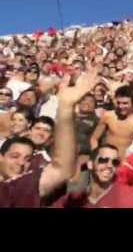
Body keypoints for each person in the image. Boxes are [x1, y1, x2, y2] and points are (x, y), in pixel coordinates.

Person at [0, 65, 98, 207]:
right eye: (14, 156)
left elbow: (62, 169)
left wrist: (65, 106)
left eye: (28, 159)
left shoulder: (18, 189)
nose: (21, 163)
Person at [52, 144, 133, 208]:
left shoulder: (125, 198)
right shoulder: (76, 195)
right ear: (90, 165)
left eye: (115, 162)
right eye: (103, 160)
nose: (110, 165)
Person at [90, 85, 133, 159]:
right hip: (107, 159)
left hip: (127, 160)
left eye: (125, 103)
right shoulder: (108, 116)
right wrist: (96, 157)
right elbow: (94, 138)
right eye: (118, 103)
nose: (121, 106)